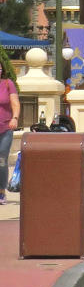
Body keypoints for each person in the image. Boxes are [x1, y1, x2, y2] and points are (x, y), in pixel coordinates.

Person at [0, 55, 20, 205]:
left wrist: (15, 118)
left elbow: (15, 103)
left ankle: (1, 191)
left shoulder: (8, 84)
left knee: (1, 160)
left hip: (5, 128)